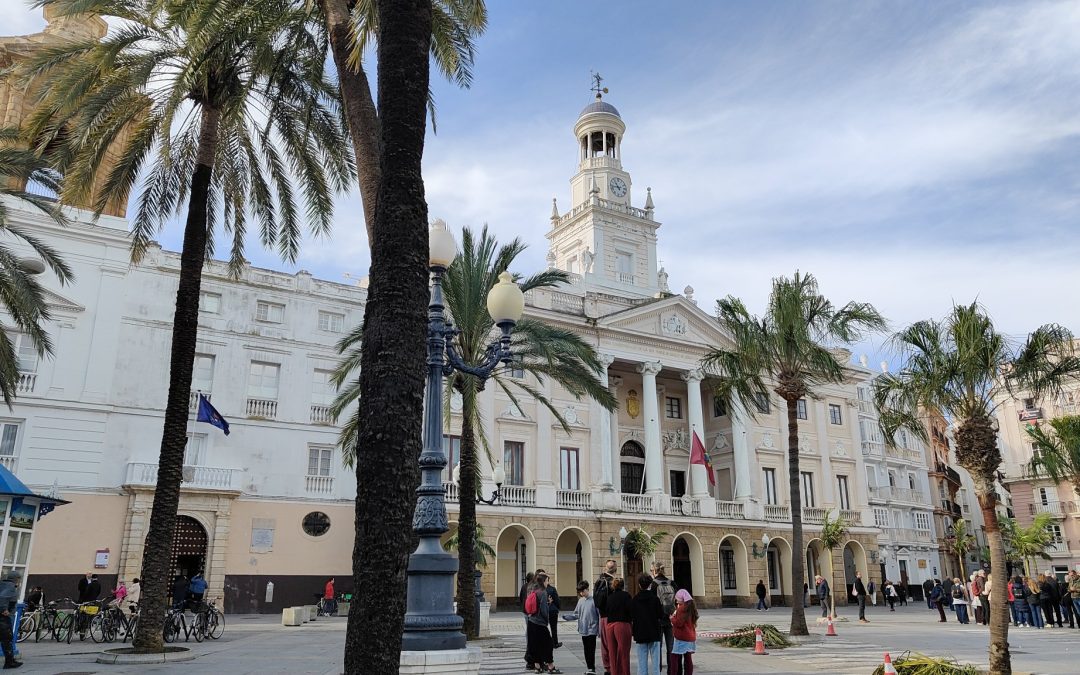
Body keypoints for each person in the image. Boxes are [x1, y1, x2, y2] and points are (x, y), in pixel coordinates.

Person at [527, 573, 560, 674]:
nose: (547, 583)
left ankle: (537, 667)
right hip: (540, 623)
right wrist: (546, 620)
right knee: (548, 644)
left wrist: (547, 603)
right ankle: (551, 666)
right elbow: (544, 611)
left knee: (535, 644)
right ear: (543, 582)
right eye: (547, 581)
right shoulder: (543, 593)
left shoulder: (533, 590)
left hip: (531, 621)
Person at [631, 573, 663, 675]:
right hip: (654, 632)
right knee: (655, 663)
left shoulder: (635, 599)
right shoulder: (655, 599)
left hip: (640, 633)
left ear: (639, 585)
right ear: (650, 585)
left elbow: (632, 616)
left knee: (641, 663)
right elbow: (660, 615)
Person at [604, 577, 633, 675]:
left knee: (612, 653)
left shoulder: (610, 597)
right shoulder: (626, 596)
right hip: (622, 624)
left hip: (610, 625)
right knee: (624, 653)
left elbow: (606, 610)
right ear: (623, 586)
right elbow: (630, 610)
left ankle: (614, 673)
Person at [650, 563, 676, 671]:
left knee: (658, 647)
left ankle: (658, 670)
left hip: (658, 619)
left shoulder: (654, 584)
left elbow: (651, 603)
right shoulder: (672, 583)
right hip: (670, 618)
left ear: (655, 571)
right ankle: (672, 670)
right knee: (671, 646)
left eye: (652, 570)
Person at [571, 580, 599, 675]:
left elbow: (598, 614)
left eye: (583, 591)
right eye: (580, 592)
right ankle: (589, 667)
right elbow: (576, 613)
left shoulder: (594, 600)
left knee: (591, 649)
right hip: (583, 628)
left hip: (592, 628)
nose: (581, 593)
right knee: (586, 649)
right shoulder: (580, 601)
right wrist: (569, 617)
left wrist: (599, 629)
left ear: (587, 589)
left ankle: (592, 668)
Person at [594, 560, 617, 675]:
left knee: (604, 643)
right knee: (612, 643)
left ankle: (607, 667)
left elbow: (595, 600)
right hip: (612, 616)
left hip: (602, 616)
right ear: (615, 569)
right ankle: (613, 666)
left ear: (605, 568)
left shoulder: (599, 581)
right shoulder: (613, 582)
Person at [670, 589, 698, 675]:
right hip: (690, 636)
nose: (676, 601)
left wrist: (672, 618)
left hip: (682, 637)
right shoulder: (692, 607)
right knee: (688, 657)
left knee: (674, 657)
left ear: (681, 599)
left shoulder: (682, 609)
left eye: (677, 599)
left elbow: (679, 623)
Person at [0, 570, 21, 669]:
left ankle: (11, 660)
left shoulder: (3, 584)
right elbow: (2, 597)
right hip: (4, 617)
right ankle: (9, 662)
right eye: (18, 579)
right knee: (7, 639)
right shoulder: (10, 587)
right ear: (16, 579)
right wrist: (4, 609)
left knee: (6, 638)